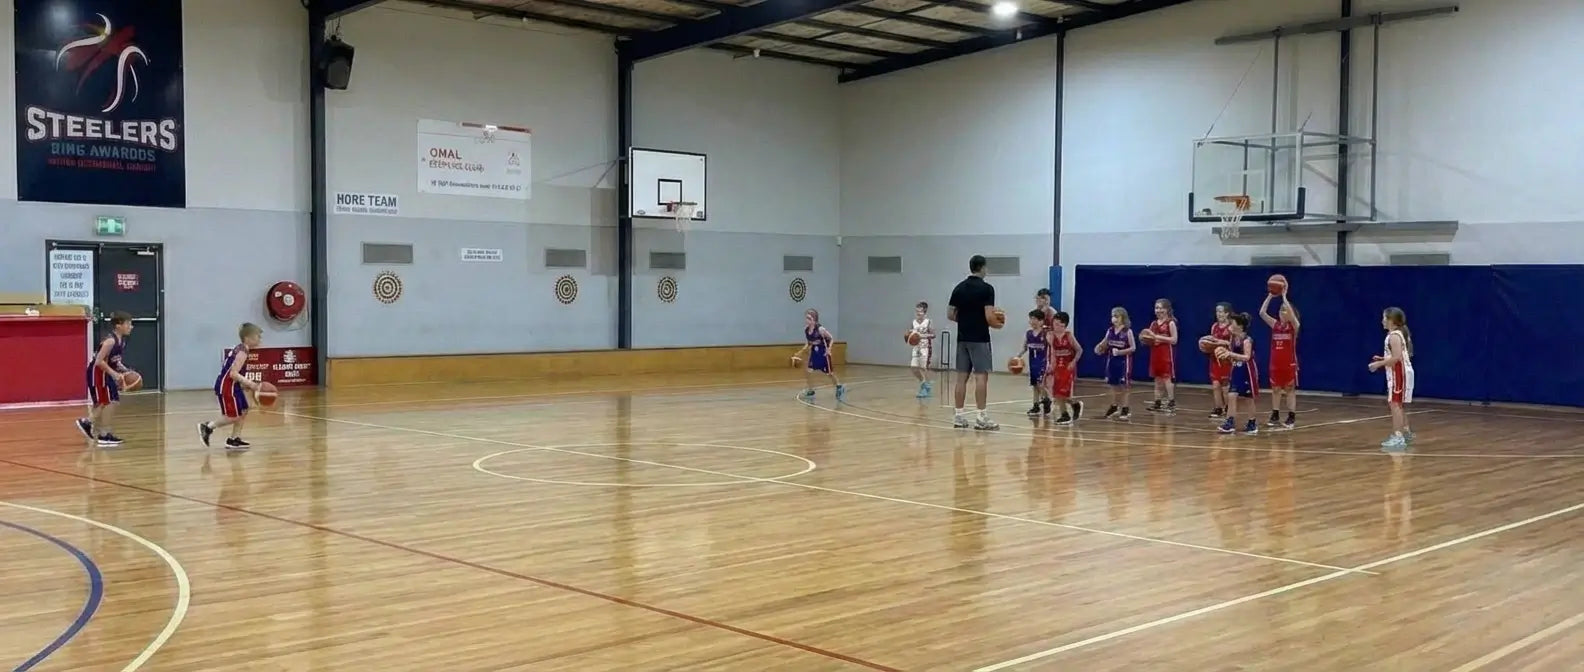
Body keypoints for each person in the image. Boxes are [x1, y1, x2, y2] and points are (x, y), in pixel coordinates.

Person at [948, 255, 998, 430]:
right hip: (980, 338)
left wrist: (965, 321)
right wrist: (997, 324)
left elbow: (950, 314)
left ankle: (958, 416)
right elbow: (989, 316)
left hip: (962, 338)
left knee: (961, 378)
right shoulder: (987, 289)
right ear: (982, 268)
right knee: (981, 377)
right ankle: (981, 417)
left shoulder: (959, 288)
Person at [200, 323, 266, 450]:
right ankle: (207, 427)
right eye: (258, 336)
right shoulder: (242, 351)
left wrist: (244, 384)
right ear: (248, 338)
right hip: (227, 386)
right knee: (233, 416)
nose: (260, 339)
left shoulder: (242, 348)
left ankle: (234, 439)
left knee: (244, 410)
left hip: (233, 385)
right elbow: (233, 374)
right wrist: (251, 384)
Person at [76, 311, 133, 447]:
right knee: (108, 402)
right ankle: (103, 434)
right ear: (119, 325)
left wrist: (126, 370)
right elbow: (98, 361)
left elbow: (115, 361)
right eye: (128, 324)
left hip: (104, 373)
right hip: (97, 373)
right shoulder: (110, 341)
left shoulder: (121, 341)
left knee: (109, 401)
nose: (131, 327)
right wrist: (114, 374)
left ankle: (90, 424)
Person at [1368, 307, 1415, 449]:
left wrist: (1378, 364)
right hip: (1400, 372)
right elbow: (1396, 356)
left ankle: (1398, 436)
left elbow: (1396, 358)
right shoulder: (1396, 334)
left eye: (1384, 318)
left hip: (1399, 374)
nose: (1382, 321)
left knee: (1395, 404)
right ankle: (1405, 432)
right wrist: (1383, 359)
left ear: (1392, 320)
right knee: (1397, 404)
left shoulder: (1394, 336)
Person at [1260, 291, 1301, 429]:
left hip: (1289, 364)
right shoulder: (1275, 325)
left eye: (1284, 310)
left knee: (1290, 389)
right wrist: (1270, 296)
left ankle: (1291, 416)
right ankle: (1275, 414)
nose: (1281, 312)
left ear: (1290, 313)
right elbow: (1262, 313)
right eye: (1280, 309)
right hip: (1275, 364)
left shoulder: (1293, 326)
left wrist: (1284, 297)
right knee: (1276, 389)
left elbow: (1293, 317)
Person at [1218, 312, 1260, 435]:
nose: (1231, 324)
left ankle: (1252, 423)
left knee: (1248, 398)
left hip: (1247, 371)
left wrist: (1230, 354)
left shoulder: (1247, 340)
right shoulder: (1233, 338)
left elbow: (1247, 357)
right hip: (1237, 369)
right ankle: (1229, 422)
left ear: (1240, 326)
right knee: (1231, 395)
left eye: (1233, 323)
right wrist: (1225, 355)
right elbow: (1232, 355)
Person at [796, 309, 845, 402]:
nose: (807, 320)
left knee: (829, 374)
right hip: (815, 352)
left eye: (809, 318)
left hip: (823, 353)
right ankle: (811, 390)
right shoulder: (806, 330)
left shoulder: (820, 329)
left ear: (814, 319)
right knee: (808, 371)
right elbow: (809, 342)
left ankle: (839, 386)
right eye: (806, 318)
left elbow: (831, 338)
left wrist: (829, 349)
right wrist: (801, 351)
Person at [1095, 306, 1135, 421]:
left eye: (1117, 316)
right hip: (1112, 361)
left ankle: (1125, 408)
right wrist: (1099, 347)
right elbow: (1104, 343)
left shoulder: (1127, 331)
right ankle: (1114, 406)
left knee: (1124, 386)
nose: (1114, 319)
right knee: (1113, 385)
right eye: (1113, 316)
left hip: (1124, 361)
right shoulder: (1110, 331)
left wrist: (1120, 352)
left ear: (1123, 318)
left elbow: (1133, 348)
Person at [1139, 298, 1178, 414]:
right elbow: (1149, 338)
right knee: (1157, 379)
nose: (1159, 310)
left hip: (1166, 354)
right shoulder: (1154, 324)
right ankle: (1157, 402)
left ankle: (1171, 402)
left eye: (1161, 308)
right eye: (1157, 308)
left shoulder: (1170, 323)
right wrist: (1145, 339)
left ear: (1167, 309)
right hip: (1155, 354)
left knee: (1167, 378)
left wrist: (1157, 337)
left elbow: (1174, 340)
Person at [1047, 310, 1084, 426]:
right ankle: (1072, 407)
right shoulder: (1050, 336)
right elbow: (1052, 352)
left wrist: (1073, 362)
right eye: (1054, 323)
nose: (1055, 326)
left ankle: (1066, 414)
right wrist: (1051, 365)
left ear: (1064, 325)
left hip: (1068, 367)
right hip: (1057, 366)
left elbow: (1079, 350)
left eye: (1058, 324)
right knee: (1056, 393)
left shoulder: (1069, 336)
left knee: (1063, 392)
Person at [1017, 310, 1053, 416]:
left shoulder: (1046, 333)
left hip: (1043, 362)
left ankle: (1046, 399)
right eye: (1031, 319)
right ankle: (1036, 406)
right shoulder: (1028, 333)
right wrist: (1017, 356)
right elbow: (1024, 348)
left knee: (1040, 384)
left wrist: (1052, 361)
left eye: (1035, 319)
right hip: (1032, 362)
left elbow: (1052, 348)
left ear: (1041, 321)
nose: (1032, 321)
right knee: (1034, 385)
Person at [1205, 302, 1235, 419]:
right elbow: (1212, 341)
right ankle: (1218, 408)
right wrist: (1207, 343)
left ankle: (1228, 408)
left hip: (1227, 359)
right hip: (1215, 358)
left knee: (1225, 387)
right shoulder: (1214, 326)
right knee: (1215, 385)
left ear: (1227, 313)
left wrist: (1220, 342)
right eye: (1217, 311)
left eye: (1221, 311)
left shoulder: (1232, 327)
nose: (1218, 314)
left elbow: (1233, 344)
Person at [909, 301, 935, 398]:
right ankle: (924, 383)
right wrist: (910, 336)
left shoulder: (928, 322)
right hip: (916, 348)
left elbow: (933, 335)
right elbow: (910, 333)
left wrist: (922, 336)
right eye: (917, 311)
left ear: (924, 312)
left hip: (925, 348)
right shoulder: (913, 322)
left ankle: (925, 388)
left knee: (924, 368)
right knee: (913, 367)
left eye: (920, 311)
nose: (918, 313)